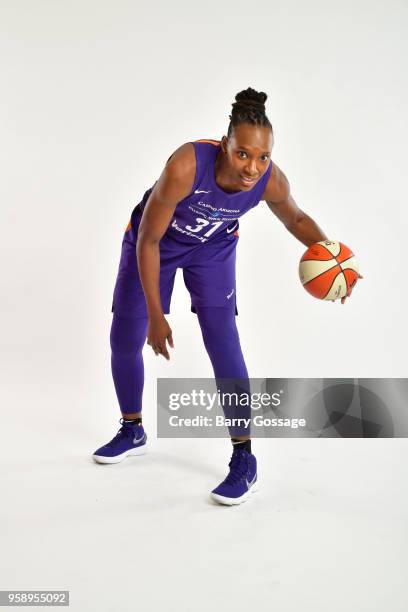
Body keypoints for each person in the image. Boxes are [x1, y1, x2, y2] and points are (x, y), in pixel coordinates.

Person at [92, 87, 361, 505]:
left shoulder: (269, 181)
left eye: (263, 157)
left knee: (223, 341)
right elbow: (148, 239)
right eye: (243, 154)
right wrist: (156, 312)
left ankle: (244, 457)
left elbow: (297, 217)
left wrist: (333, 261)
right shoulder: (186, 166)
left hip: (212, 251)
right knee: (124, 338)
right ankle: (132, 428)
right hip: (153, 244)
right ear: (224, 146)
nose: (253, 167)